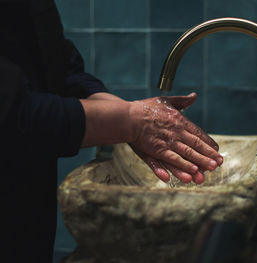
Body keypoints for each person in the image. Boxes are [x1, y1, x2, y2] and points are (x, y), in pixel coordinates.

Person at [0, 0, 223, 262]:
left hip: (28, 216)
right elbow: (12, 114)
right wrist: (132, 121)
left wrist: (133, 120)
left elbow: (58, 63)